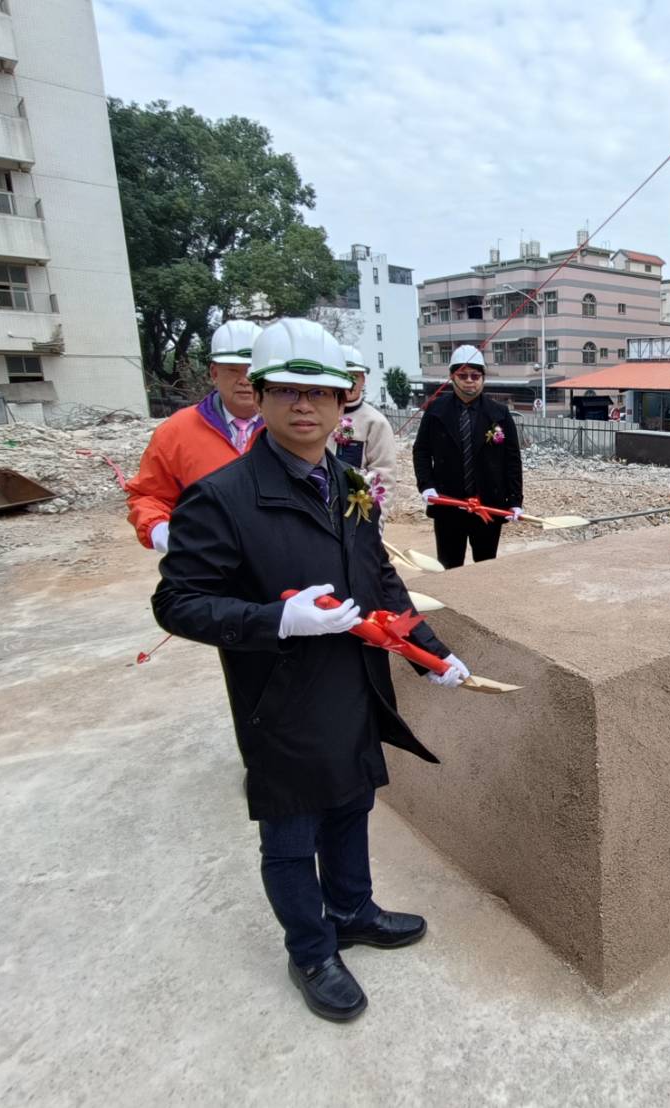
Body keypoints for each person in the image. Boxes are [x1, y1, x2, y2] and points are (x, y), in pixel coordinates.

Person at [152, 318, 472, 1022]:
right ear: (259, 398)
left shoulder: (347, 482)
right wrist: (275, 620)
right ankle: (311, 948)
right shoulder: (221, 497)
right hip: (282, 696)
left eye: (320, 393)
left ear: (341, 404)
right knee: (292, 834)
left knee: (351, 805)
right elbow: (176, 604)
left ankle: (353, 910)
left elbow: (379, 576)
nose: (305, 406)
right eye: (287, 391)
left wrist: (428, 649)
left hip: (352, 686)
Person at [125, 319, 264, 553]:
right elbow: (149, 494)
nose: (244, 380)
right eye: (233, 369)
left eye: (252, 370)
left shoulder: (288, 428)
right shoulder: (178, 430)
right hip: (205, 561)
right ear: (214, 373)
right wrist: (159, 529)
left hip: (272, 560)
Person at [413, 344, 523, 568]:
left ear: (483, 378)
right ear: (453, 377)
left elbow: (512, 460)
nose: (470, 381)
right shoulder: (435, 411)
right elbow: (421, 450)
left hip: (487, 506)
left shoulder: (499, 414)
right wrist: (426, 485)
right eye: (463, 375)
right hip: (448, 505)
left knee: (485, 566)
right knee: (449, 565)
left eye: (475, 375)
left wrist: (515, 500)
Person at [333, 345, 398, 491]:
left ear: (363, 380)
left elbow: (384, 476)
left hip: (356, 508)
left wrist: (377, 513)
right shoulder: (316, 418)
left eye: (354, 376)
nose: (349, 383)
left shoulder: (375, 423)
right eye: (343, 376)